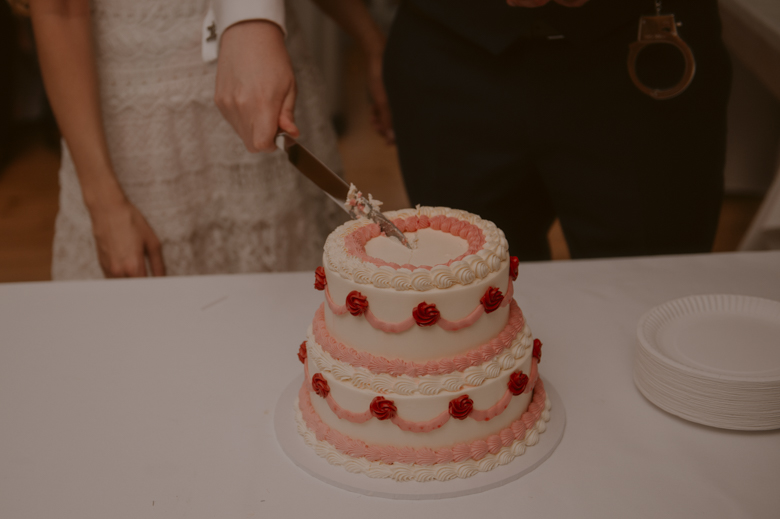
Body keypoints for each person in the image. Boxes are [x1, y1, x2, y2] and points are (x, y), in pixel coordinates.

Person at [378, 0, 731, 260]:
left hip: (647, 48)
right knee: (467, 290)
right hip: (446, 50)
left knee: (653, 283)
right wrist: (369, 41)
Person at [28, 0, 343, 279]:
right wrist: (104, 203)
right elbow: (59, 10)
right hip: (139, 140)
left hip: (270, 96)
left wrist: (366, 38)